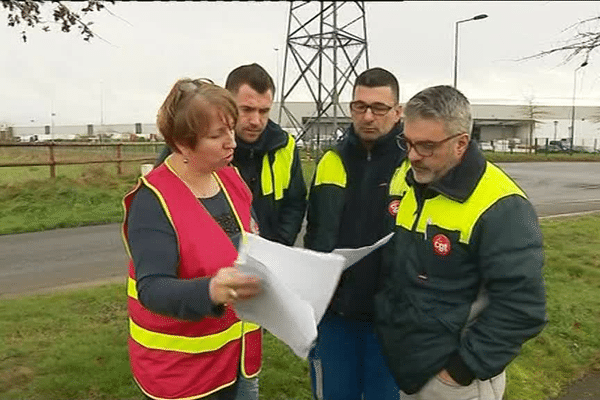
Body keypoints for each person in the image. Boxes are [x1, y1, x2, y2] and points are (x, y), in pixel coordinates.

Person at [375, 85, 547, 400]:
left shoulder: (502, 206)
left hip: (457, 383)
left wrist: (459, 372)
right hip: (410, 369)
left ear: (461, 143)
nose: (413, 156)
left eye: (426, 146)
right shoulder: (412, 183)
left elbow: (524, 308)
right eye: (408, 142)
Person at [123, 78, 263, 400]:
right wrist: (211, 289)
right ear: (183, 145)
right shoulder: (153, 201)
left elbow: (248, 241)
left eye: (231, 129)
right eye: (217, 135)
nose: (232, 143)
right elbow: (152, 288)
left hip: (238, 361)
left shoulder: (230, 177)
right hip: (182, 376)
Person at [303, 67, 405, 400]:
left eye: (379, 108)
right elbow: (316, 234)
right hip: (334, 316)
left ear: (398, 112)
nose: (368, 116)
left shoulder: (413, 164)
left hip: (391, 320)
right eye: (359, 106)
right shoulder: (331, 161)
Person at [156, 63, 307, 246]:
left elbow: (295, 204)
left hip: (267, 259)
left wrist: (278, 248)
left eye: (264, 111)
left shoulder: (285, 145)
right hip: (210, 262)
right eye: (247, 110)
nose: (256, 121)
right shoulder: (190, 150)